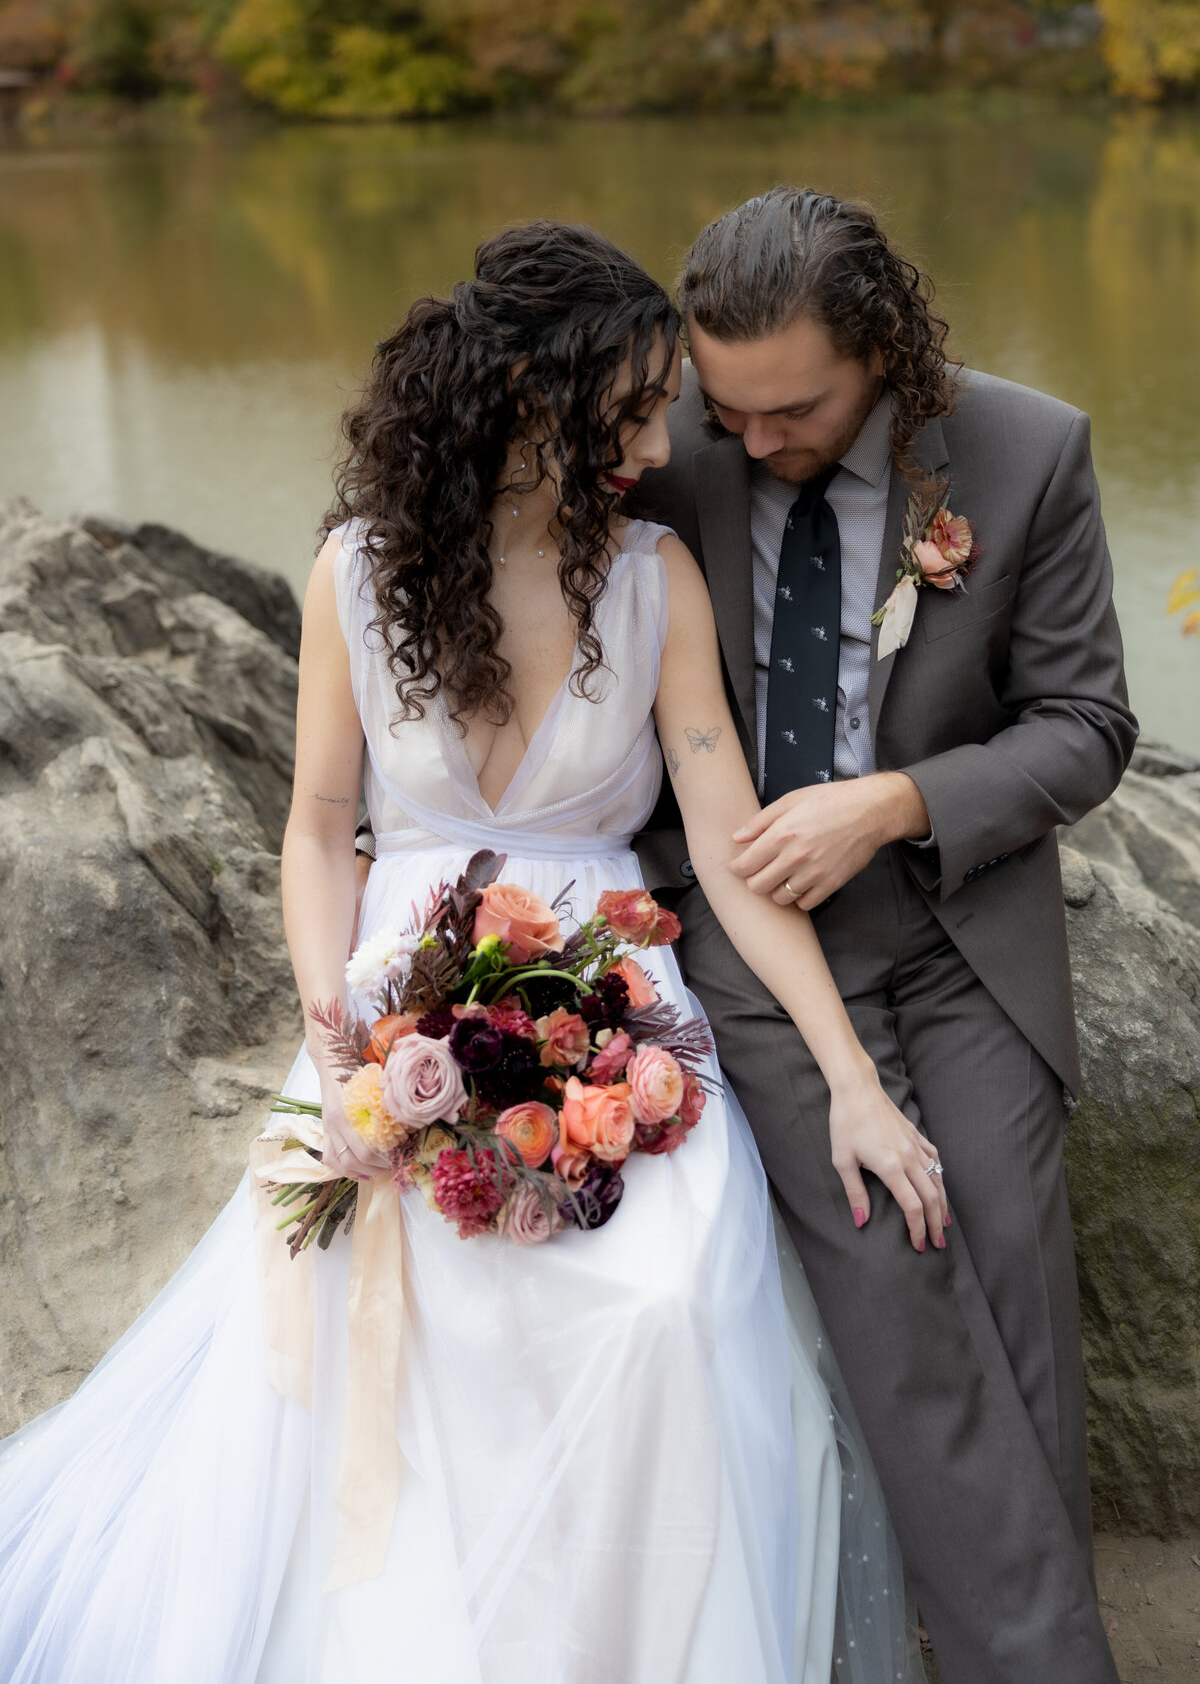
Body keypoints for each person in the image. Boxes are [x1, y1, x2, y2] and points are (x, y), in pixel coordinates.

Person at [0, 221, 934, 1684]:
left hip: (617, 1002)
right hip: (395, 1008)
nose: (659, 435)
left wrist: (852, 1081)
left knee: (666, 1298)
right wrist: (329, 1015)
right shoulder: (356, 577)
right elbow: (319, 826)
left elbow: (740, 857)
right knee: (412, 1292)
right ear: (529, 404)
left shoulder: (652, 579)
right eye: (629, 407)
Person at [626, 185, 1137, 1684]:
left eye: (793, 410)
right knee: (891, 1251)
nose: (754, 439)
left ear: (887, 358)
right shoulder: (670, 449)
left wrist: (895, 802)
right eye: (728, 408)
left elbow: (1087, 729)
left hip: (956, 925)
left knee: (1002, 1241)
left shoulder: (1026, 449)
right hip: (745, 929)